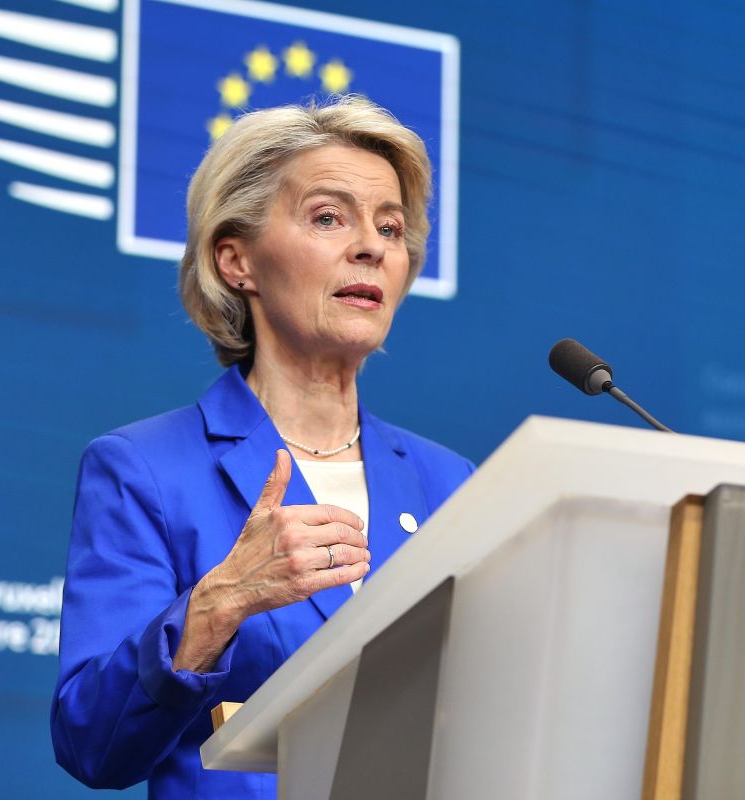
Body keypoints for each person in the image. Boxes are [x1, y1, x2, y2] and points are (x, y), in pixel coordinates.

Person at [51, 96, 474, 797]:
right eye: (328, 217)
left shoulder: (450, 482)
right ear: (236, 261)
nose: (371, 246)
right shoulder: (145, 470)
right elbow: (91, 742)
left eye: (390, 227)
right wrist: (218, 603)